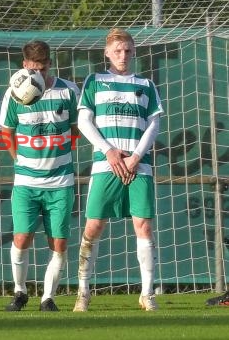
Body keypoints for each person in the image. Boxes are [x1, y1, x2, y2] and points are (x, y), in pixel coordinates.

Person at [73, 28, 163, 312]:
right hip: (105, 165)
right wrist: (109, 151)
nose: (123, 55)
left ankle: (147, 293)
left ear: (134, 52)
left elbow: (154, 124)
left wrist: (136, 156)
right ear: (107, 53)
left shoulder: (145, 84)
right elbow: (85, 121)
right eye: (117, 51)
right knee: (93, 226)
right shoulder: (94, 81)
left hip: (139, 166)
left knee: (144, 226)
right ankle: (83, 291)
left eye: (127, 50)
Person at [0, 41, 80, 312]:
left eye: (43, 68)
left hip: (60, 181)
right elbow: (6, 133)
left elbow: (76, 131)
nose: (38, 74)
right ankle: (20, 291)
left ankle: (48, 297)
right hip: (26, 182)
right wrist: (19, 160)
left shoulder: (68, 90)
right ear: (24, 65)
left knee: (58, 242)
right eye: (33, 68)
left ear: (50, 64)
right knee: (22, 238)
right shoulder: (13, 94)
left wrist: (59, 154)